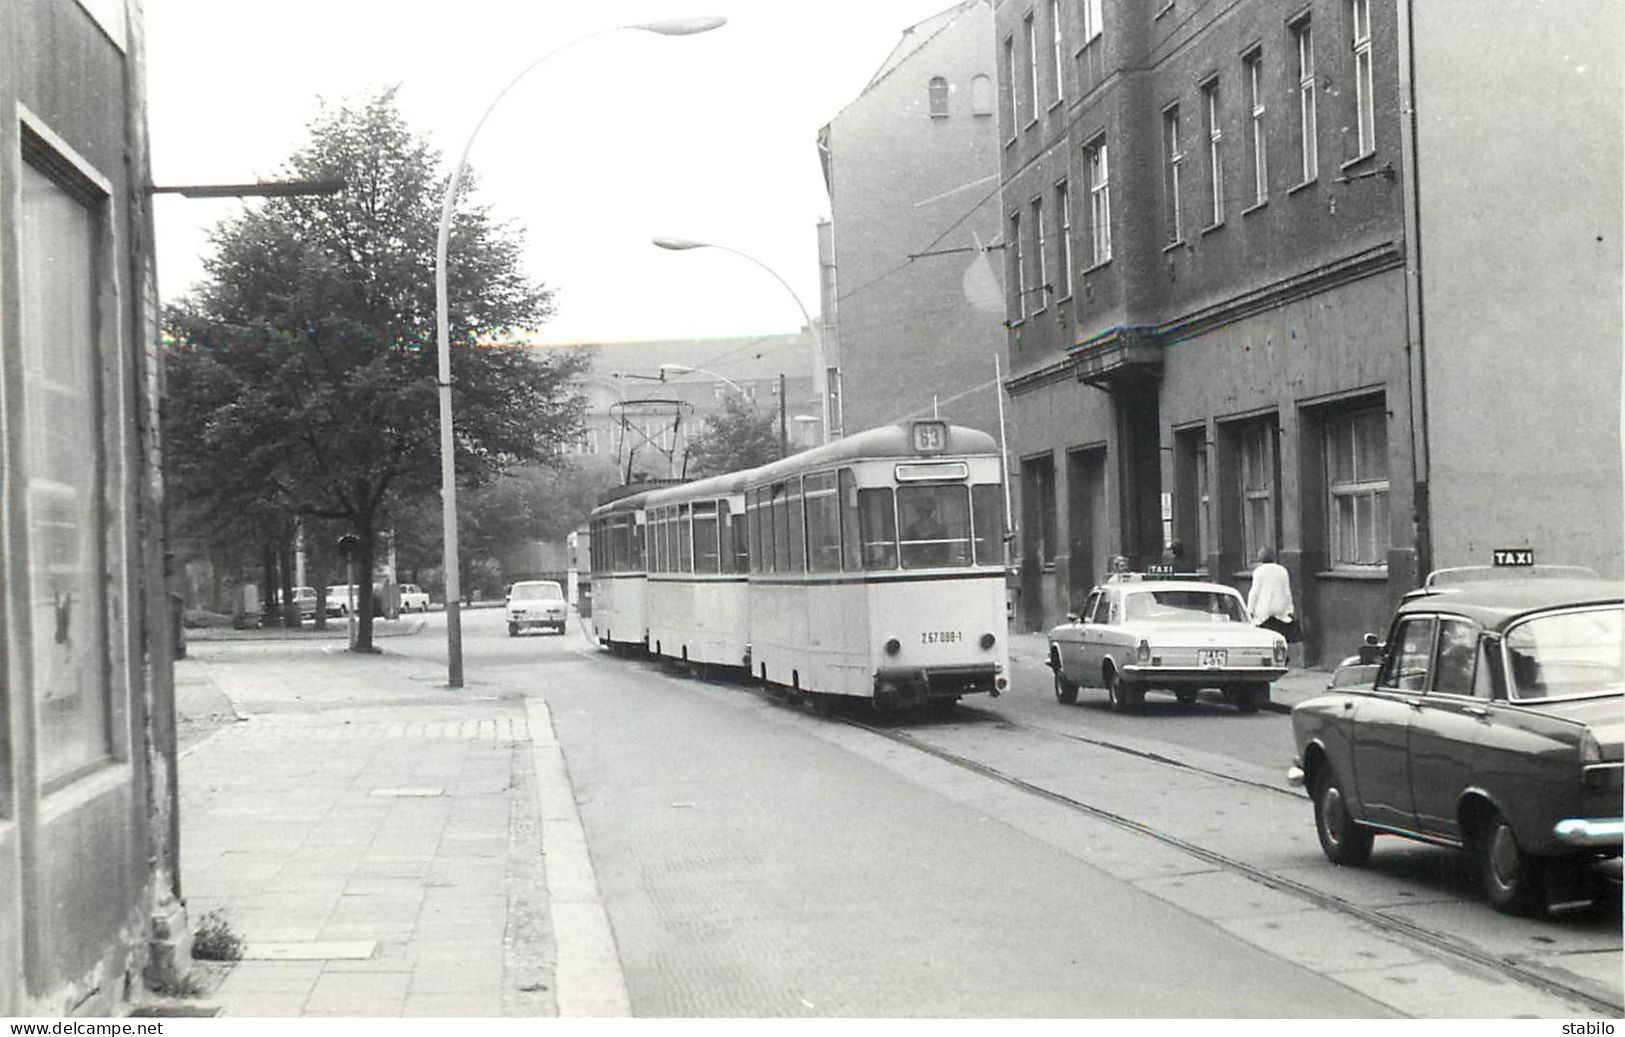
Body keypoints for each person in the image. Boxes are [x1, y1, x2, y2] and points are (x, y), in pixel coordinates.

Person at [1247, 545, 1297, 660]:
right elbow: (1286, 591)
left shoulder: (1258, 572)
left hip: (1264, 609)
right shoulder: (1282, 571)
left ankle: (1268, 656)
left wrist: (1250, 609)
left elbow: (1254, 592)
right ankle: (1282, 656)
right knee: (1279, 635)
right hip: (1279, 608)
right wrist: (1290, 609)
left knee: (1264, 635)